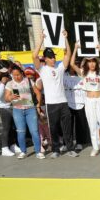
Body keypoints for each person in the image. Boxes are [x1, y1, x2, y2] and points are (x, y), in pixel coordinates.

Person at [32, 29, 77, 158]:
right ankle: (56, 150)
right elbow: (34, 56)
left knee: (67, 126)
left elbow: (68, 54)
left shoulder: (60, 68)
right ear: (45, 59)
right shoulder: (42, 69)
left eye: (54, 57)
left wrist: (66, 39)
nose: (53, 59)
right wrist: (41, 39)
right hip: (51, 103)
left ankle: (70, 148)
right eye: (50, 57)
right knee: (54, 127)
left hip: (63, 102)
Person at [5, 66, 45, 160]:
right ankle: (23, 151)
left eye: (18, 74)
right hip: (17, 110)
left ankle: (38, 151)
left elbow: (38, 93)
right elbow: (6, 98)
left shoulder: (28, 81)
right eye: (14, 75)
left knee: (34, 131)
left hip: (30, 109)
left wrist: (38, 105)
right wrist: (10, 98)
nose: (16, 77)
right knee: (21, 132)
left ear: (22, 73)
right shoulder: (10, 84)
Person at [80, 40, 100, 156]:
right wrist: (77, 48)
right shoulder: (83, 73)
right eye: (89, 62)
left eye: (94, 61)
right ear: (86, 64)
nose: (92, 64)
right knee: (92, 124)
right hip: (89, 101)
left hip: (99, 100)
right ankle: (95, 147)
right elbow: (72, 64)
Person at [65, 43, 90, 150]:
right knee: (68, 125)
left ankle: (80, 142)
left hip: (80, 103)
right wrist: (71, 49)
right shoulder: (63, 76)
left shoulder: (82, 75)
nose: (74, 66)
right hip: (68, 103)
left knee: (80, 124)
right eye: (73, 64)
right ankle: (68, 143)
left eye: (76, 64)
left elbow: (85, 62)